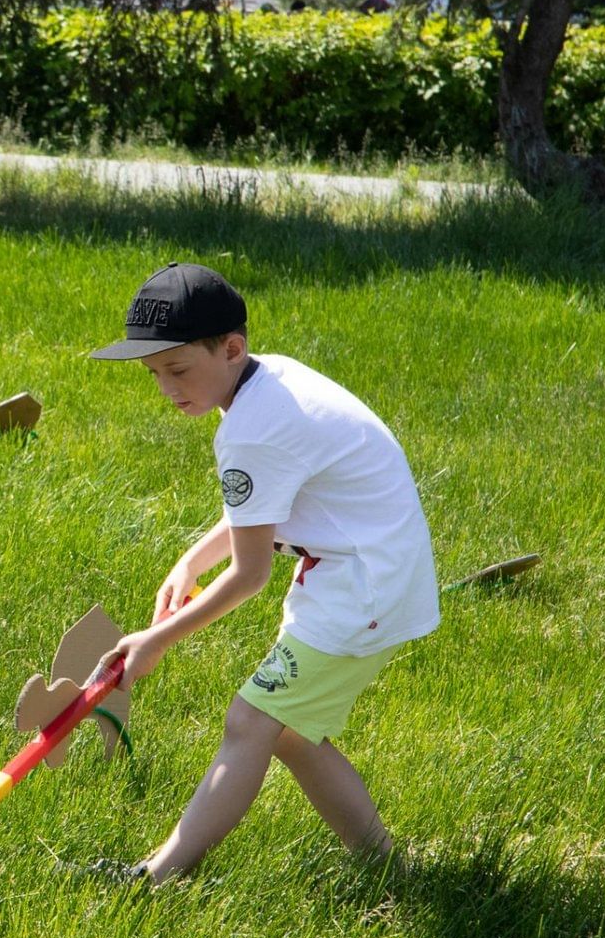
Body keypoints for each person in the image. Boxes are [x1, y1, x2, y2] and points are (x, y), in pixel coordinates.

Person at [87, 262, 440, 885]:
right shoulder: (263, 384)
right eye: (154, 375)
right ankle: (387, 868)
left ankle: (159, 876)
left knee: (251, 721)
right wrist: (193, 559)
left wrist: (156, 641)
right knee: (292, 733)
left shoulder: (254, 428)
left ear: (231, 348)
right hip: (375, 571)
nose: (168, 389)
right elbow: (265, 508)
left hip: (363, 587)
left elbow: (250, 575)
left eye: (177, 369)